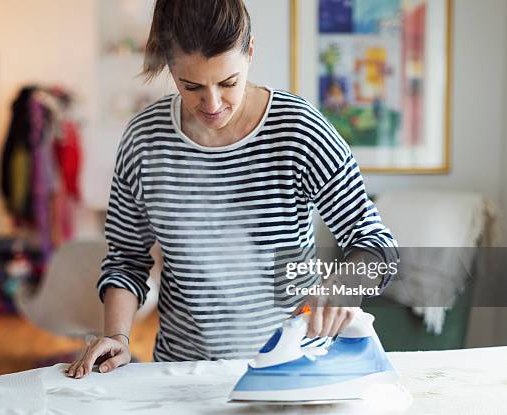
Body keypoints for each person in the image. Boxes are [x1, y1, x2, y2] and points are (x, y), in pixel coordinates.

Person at [67, 0, 398, 379]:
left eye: (228, 83)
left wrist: (340, 286)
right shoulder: (145, 139)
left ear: (250, 52)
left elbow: (377, 245)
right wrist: (119, 337)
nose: (212, 105)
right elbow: (126, 259)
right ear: (169, 67)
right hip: (182, 371)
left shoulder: (299, 131)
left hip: (293, 366)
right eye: (191, 86)